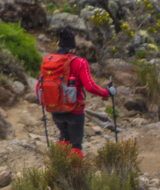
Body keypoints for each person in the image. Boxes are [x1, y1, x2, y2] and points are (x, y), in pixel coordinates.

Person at [37, 28, 116, 157]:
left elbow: (39, 84)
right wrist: (107, 93)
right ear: (73, 45)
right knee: (76, 145)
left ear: (59, 43)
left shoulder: (49, 61)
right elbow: (90, 86)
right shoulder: (80, 62)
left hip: (54, 108)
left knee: (64, 137)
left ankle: (60, 169)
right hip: (75, 109)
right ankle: (75, 174)